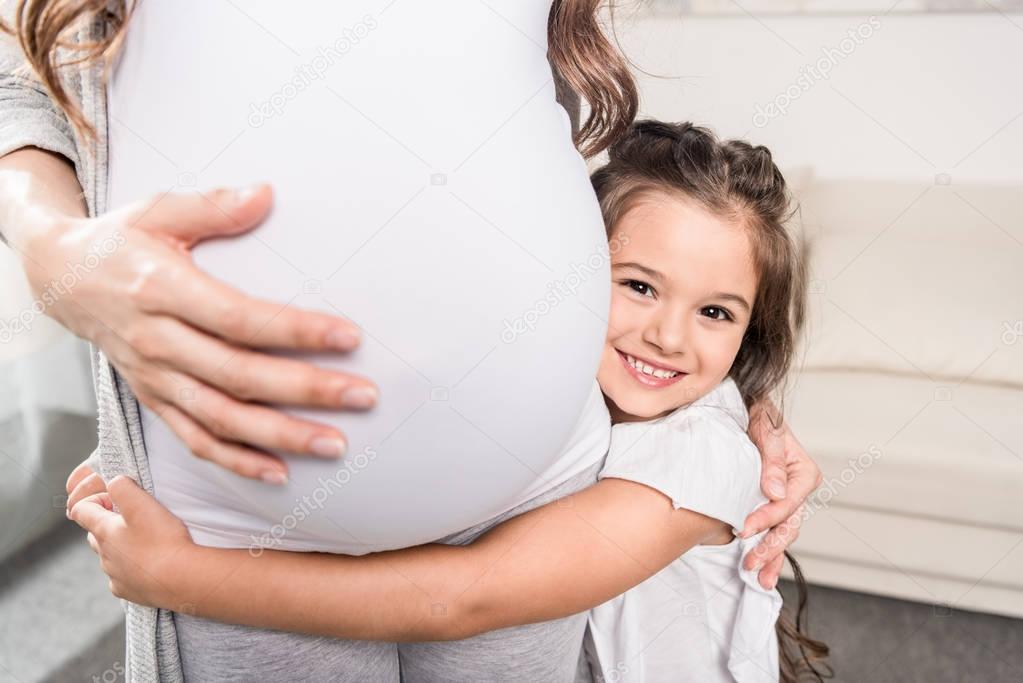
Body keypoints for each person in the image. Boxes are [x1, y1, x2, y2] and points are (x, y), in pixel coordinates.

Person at [1, 1, 821, 679]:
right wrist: (50, 249)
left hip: (539, 482)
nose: (672, 328)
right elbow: (16, 75)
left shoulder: (690, 454)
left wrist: (726, 411)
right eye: (638, 286)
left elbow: (466, 596)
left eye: (716, 314)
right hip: (240, 498)